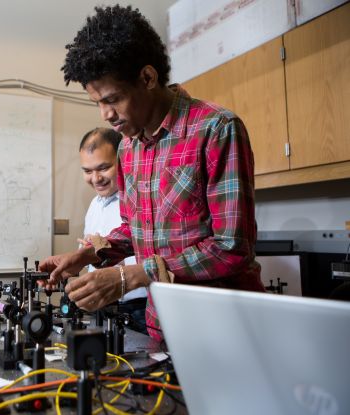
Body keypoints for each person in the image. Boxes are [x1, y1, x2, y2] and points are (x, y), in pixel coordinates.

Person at [40, 5, 264, 340]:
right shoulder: (129, 147)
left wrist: (130, 276)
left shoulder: (215, 129)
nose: (106, 115)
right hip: (163, 325)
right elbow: (135, 229)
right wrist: (90, 254)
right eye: (97, 103)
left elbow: (231, 248)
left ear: (147, 78)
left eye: (113, 99)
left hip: (225, 327)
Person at [78, 127, 147, 333]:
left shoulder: (140, 199)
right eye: (88, 171)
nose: (96, 178)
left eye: (104, 168)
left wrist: (102, 248)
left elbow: (148, 257)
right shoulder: (94, 205)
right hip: (103, 307)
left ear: (123, 160)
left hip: (139, 308)